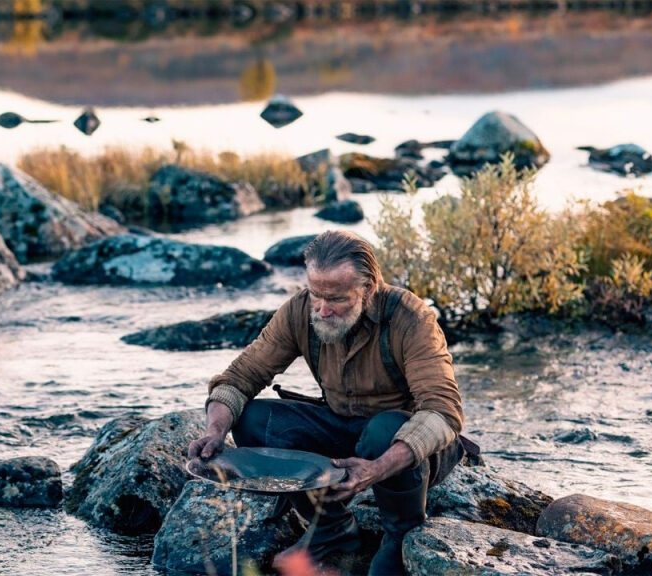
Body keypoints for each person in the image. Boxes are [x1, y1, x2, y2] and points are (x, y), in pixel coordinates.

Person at [188, 230, 465, 576]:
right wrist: (215, 431)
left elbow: (442, 411)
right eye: (316, 293)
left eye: (335, 298)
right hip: (340, 427)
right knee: (252, 419)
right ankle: (330, 527)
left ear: (367, 289)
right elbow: (237, 379)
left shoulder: (411, 318)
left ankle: (400, 535)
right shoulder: (300, 311)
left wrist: (376, 469)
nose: (321, 308)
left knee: (383, 430)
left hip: (405, 448)